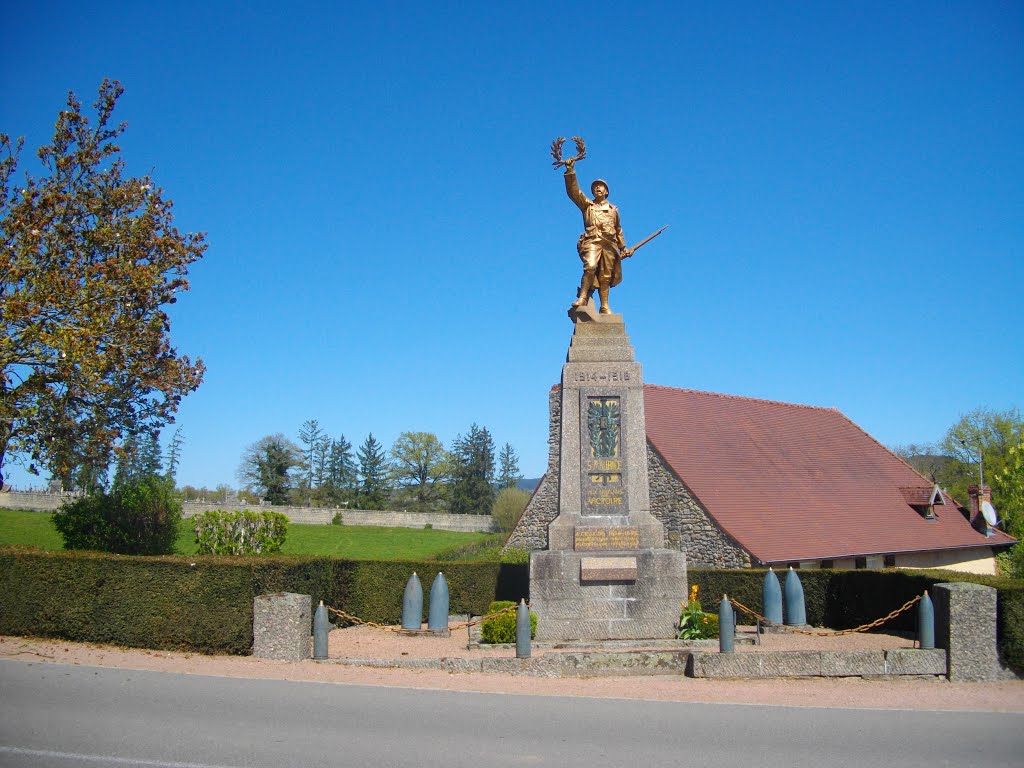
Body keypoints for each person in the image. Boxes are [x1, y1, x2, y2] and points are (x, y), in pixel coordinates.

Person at [562, 157, 633, 314]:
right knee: (591, 266)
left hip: (610, 243)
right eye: (595, 187)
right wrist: (570, 171)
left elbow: (618, 229)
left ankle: (605, 306)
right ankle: (582, 297)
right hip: (593, 240)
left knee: (605, 275)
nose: (598, 188)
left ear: (606, 191)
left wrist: (624, 248)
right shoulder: (588, 206)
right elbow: (574, 192)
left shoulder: (614, 209)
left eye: (601, 187)